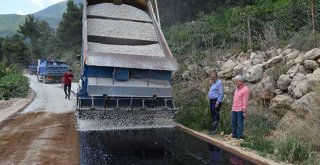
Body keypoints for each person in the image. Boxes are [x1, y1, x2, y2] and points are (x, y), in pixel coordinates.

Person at [231, 75, 250, 139]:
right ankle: (234, 136)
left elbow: (245, 101)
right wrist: (232, 108)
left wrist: (244, 111)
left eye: (236, 81)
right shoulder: (237, 88)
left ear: (241, 81)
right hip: (234, 109)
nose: (235, 82)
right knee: (233, 123)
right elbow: (235, 99)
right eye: (235, 81)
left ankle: (239, 138)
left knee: (239, 124)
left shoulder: (245, 89)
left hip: (240, 110)